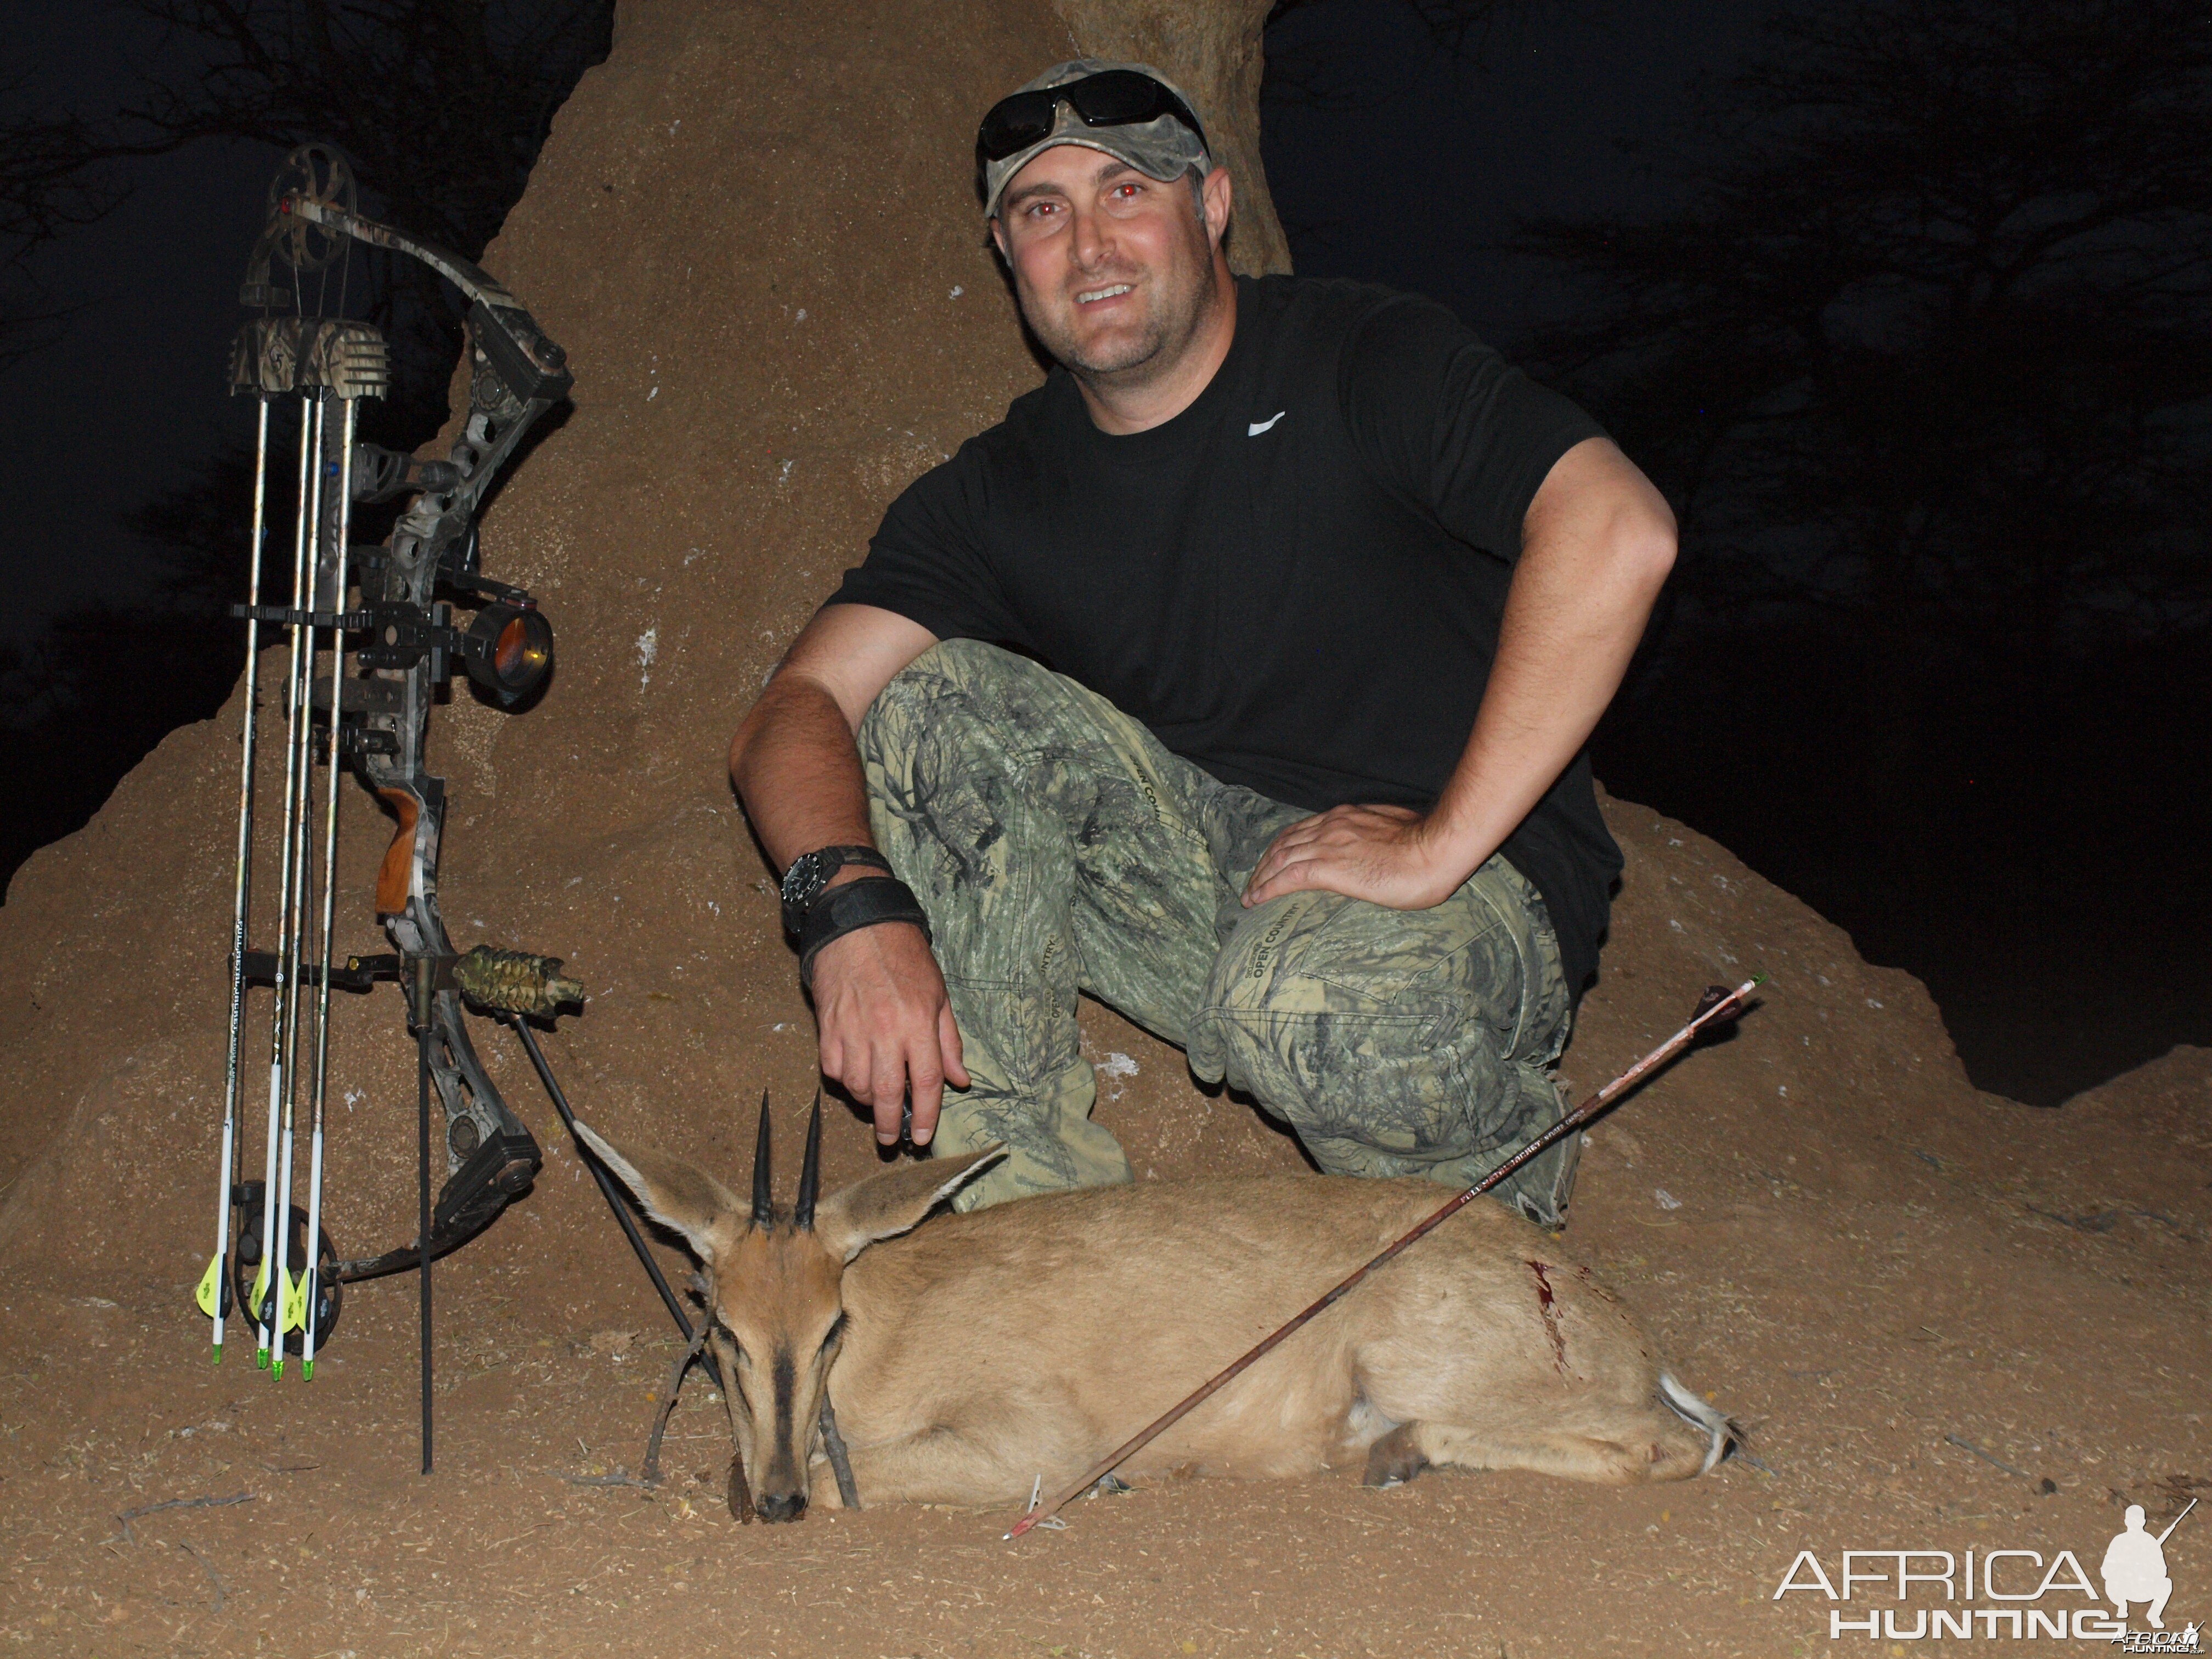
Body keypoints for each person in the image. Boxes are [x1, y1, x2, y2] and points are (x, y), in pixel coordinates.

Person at [728, 59, 1677, 1220]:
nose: (1089, 247)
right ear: (1005, 254)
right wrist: (846, 907)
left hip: (1460, 893)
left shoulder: (1360, 354)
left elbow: (1616, 530)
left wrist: (1440, 841)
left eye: (1127, 193)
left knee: (1306, 1002)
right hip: (1201, 882)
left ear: (1213, 207)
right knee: (928, 702)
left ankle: (1488, 1197)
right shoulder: (997, 491)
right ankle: (1022, 1218)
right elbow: (796, 708)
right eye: (1043, 212)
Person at [2103, 1504, 2175, 1628]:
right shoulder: (2119, 1541)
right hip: (2124, 1588)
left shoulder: (2151, 1542)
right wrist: (2124, 1569)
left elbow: (2162, 1571)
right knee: (2110, 1582)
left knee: (2166, 1583)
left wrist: (2146, 1569)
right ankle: (2122, 1605)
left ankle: (2154, 1615)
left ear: (2143, 1522)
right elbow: (2106, 1570)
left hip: (2145, 1589)